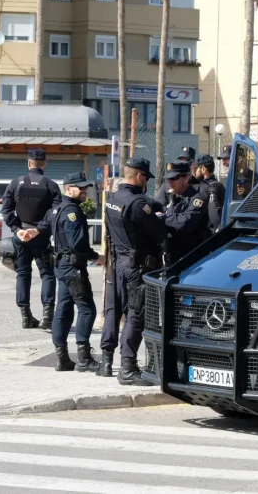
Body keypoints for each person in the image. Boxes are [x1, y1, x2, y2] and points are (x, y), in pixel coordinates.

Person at [100, 157, 166, 385]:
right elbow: (160, 232)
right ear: (138, 176)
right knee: (136, 316)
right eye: (146, 177)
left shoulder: (113, 199)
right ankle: (128, 368)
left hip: (118, 264)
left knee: (116, 310)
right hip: (136, 267)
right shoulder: (138, 205)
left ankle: (109, 362)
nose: (146, 181)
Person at [31, 172, 104, 372]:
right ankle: (84, 358)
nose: (84, 190)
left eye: (86, 187)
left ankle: (62, 358)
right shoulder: (72, 212)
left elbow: (44, 225)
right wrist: (96, 257)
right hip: (72, 267)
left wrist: (33, 231)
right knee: (87, 309)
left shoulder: (56, 209)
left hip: (61, 266)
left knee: (63, 310)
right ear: (68, 188)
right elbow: (78, 244)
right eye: (80, 187)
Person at [1, 148, 60, 330]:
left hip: (21, 236)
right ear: (45, 163)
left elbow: (6, 210)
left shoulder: (16, 183)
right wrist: (39, 229)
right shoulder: (51, 186)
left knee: (23, 274)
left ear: (29, 163)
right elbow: (55, 213)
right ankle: (47, 316)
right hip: (41, 237)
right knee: (47, 274)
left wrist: (17, 229)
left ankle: (26, 317)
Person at [162, 161, 208, 265]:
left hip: (191, 259)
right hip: (173, 257)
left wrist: (164, 218)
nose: (170, 182)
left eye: (174, 178)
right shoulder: (174, 198)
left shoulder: (197, 199)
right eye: (168, 179)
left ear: (186, 178)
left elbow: (185, 222)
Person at [194, 154, 225, 235]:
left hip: (209, 233)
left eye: (196, 169)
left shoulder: (207, 187)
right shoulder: (219, 185)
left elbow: (214, 211)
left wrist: (216, 230)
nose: (195, 172)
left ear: (203, 169)